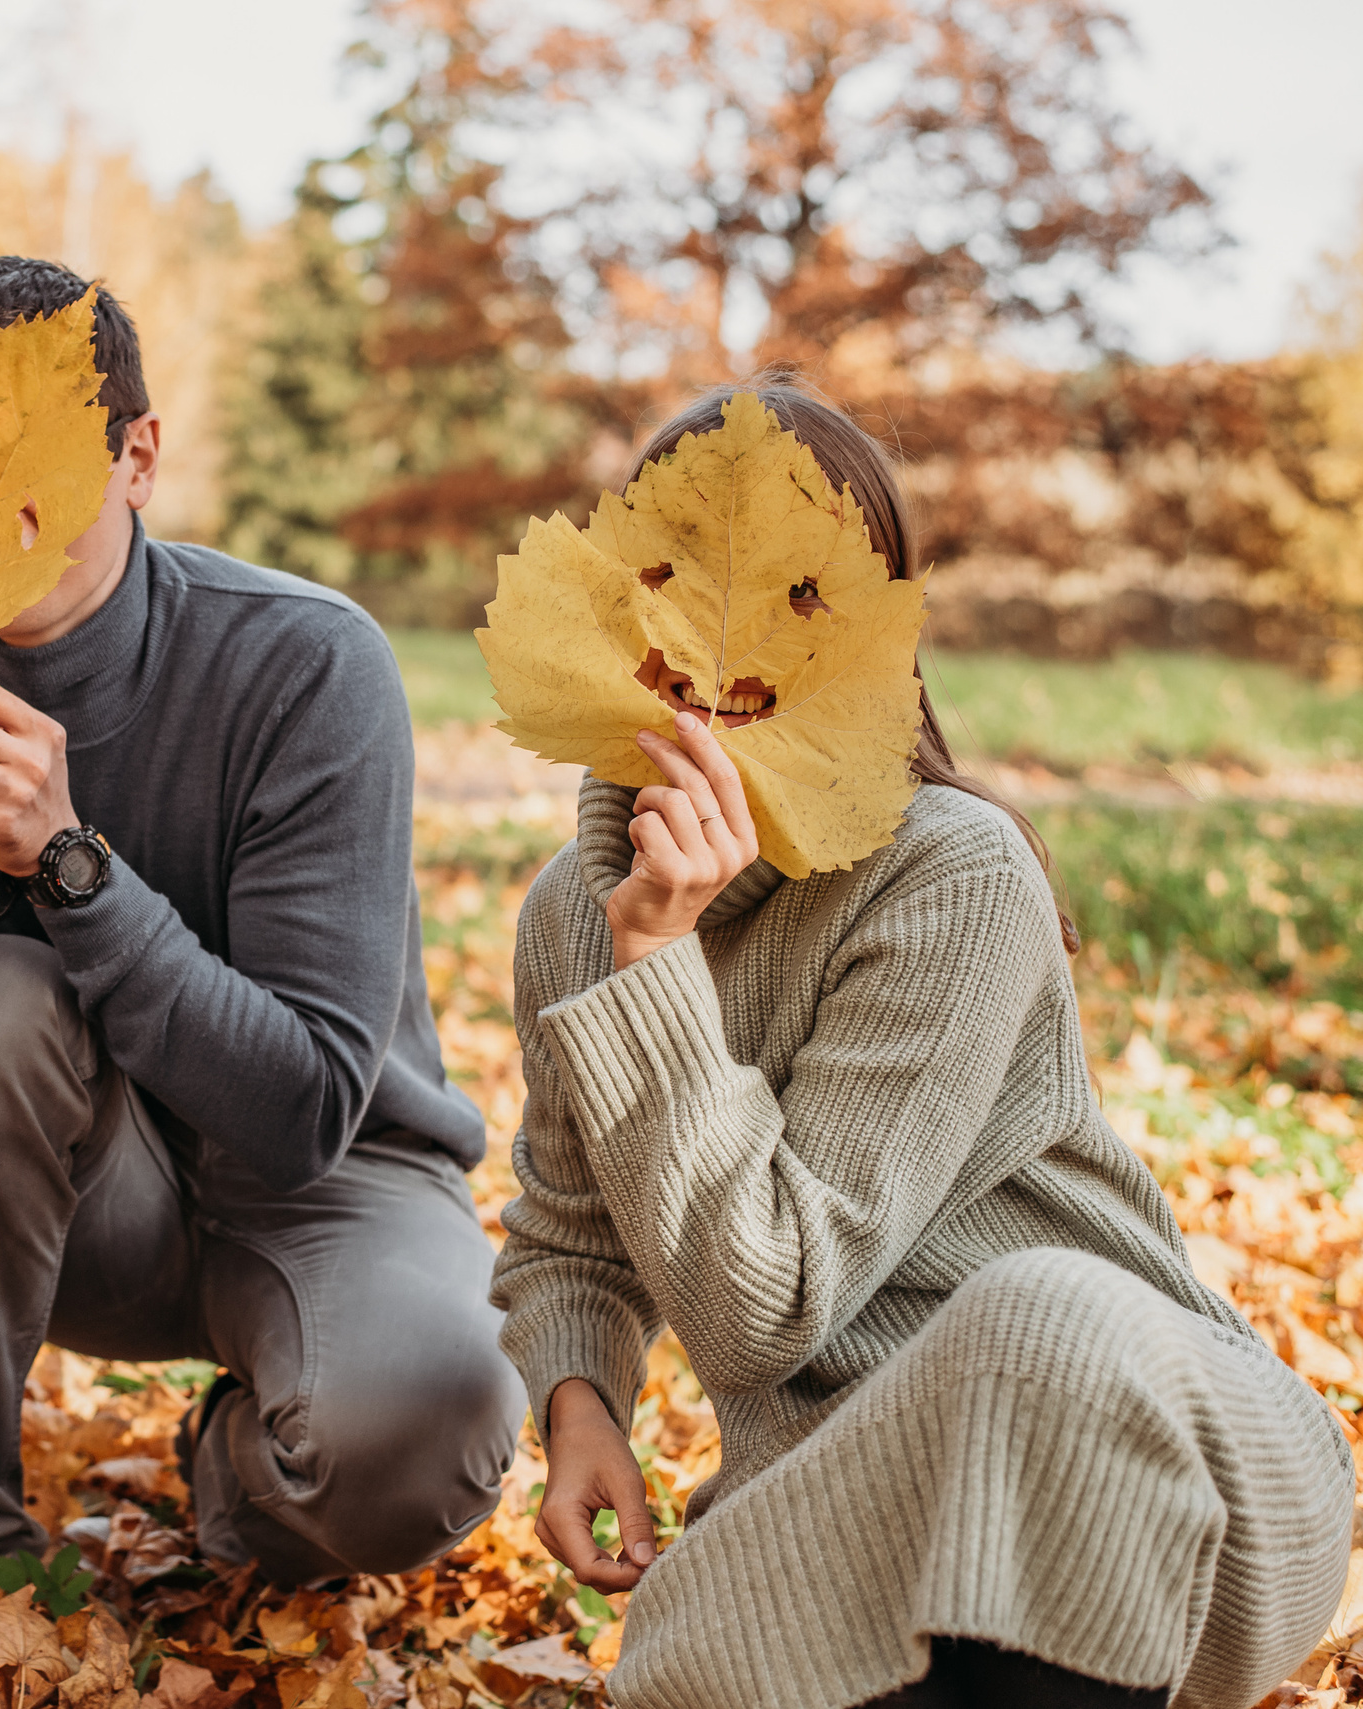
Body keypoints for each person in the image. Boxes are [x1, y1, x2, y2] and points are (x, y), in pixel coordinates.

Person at [492, 381, 1353, 1709]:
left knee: (1031, 1316)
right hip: (859, 1484)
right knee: (689, 1660)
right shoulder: (577, 906)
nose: (726, 658)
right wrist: (580, 1402)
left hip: (1153, 1456)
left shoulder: (954, 873)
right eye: (671, 584)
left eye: (803, 599)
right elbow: (570, 1229)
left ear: (877, 637)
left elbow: (765, 1310)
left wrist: (658, 967)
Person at [0, 256, 524, 1630]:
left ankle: (237, 1464)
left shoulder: (304, 664)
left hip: (327, 1181)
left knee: (426, 1435)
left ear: (137, 456)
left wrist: (67, 864)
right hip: (82, 1192)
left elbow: (302, 1111)